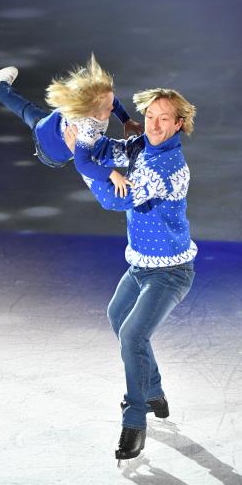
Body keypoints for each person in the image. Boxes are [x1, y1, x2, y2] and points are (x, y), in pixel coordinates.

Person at [65, 87, 197, 463]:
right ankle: (154, 390)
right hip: (140, 265)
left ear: (179, 125)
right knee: (117, 317)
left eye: (164, 119)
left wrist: (80, 158)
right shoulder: (143, 147)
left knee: (132, 335)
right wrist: (87, 137)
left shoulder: (166, 168)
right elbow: (109, 153)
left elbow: (113, 198)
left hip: (170, 272)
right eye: (151, 116)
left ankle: (136, 420)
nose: (154, 125)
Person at [0, 55, 142, 194]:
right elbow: (82, 164)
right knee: (96, 151)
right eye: (108, 109)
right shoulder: (87, 130)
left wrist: (126, 120)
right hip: (49, 152)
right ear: (91, 113)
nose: (113, 108)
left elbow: (114, 103)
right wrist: (111, 174)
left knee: (27, 110)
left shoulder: (101, 102)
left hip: (50, 124)